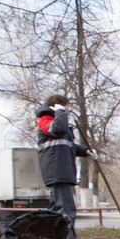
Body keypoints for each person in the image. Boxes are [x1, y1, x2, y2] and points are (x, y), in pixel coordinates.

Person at [35, 94, 95, 224]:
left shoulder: (59, 121)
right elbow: (58, 129)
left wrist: (85, 151)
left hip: (62, 170)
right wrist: (60, 112)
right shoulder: (46, 120)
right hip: (57, 170)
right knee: (66, 210)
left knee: (57, 210)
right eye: (65, 106)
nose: (67, 109)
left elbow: (68, 146)